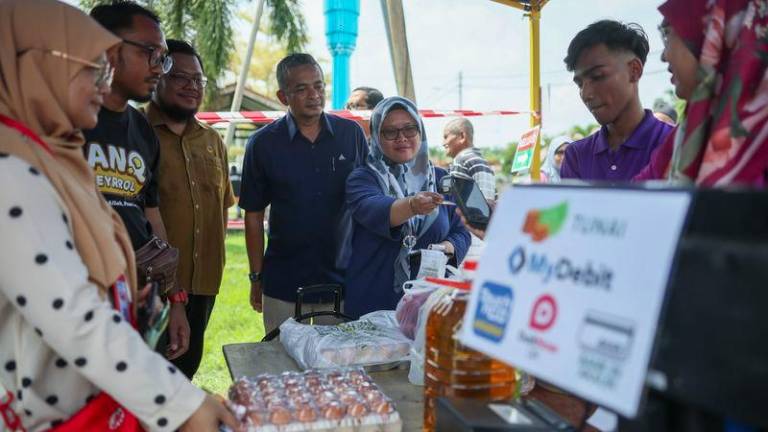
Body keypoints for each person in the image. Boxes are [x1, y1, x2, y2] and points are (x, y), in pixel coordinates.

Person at [0, 1, 236, 431]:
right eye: (91, 68)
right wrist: (181, 405)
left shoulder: (56, 156)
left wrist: (155, 299)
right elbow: (71, 314)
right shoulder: (11, 170)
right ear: (36, 66)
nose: (102, 81)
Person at [84, 1, 190, 361]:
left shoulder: (142, 129)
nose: (160, 67)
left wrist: (172, 299)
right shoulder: (63, 119)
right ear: (107, 49)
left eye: (164, 57)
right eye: (151, 53)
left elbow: (150, 214)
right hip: (78, 302)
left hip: (139, 297)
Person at [239, 53, 368, 333]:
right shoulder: (262, 144)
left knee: (336, 368)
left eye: (319, 86)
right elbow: (252, 214)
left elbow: (368, 201)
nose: (314, 95)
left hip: (342, 281)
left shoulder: (351, 134)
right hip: (283, 282)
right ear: (283, 96)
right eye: (302, 88)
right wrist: (256, 277)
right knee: (281, 365)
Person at [144, 39, 235, 379]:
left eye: (197, 79)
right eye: (180, 77)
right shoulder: (135, 132)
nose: (191, 86)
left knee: (184, 373)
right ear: (158, 78)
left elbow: (222, 208)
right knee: (145, 381)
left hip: (202, 284)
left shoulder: (212, 141)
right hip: (149, 287)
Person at [344, 96, 471, 318]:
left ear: (420, 132)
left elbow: (461, 229)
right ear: (376, 137)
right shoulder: (363, 178)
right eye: (390, 132)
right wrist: (412, 205)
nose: (401, 138)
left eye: (409, 129)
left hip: (430, 303)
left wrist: (447, 247)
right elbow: (373, 208)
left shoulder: (441, 178)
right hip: (375, 305)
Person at [635, 0, 768, 186]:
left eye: (667, 34)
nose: (663, 56)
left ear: (714, 35)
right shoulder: (688, 134)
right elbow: (636, 193)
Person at [561, 20, 674, 182]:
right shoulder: (576, 156)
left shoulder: (674, 143)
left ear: (634, 70)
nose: (586, 94)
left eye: (597, 76)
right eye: (580, 84)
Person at [442, 117, 496, 199]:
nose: (443, 143)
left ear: (462, 136)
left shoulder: (462, 160)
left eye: (446, 137)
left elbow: (486, 202)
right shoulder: (481, 161)